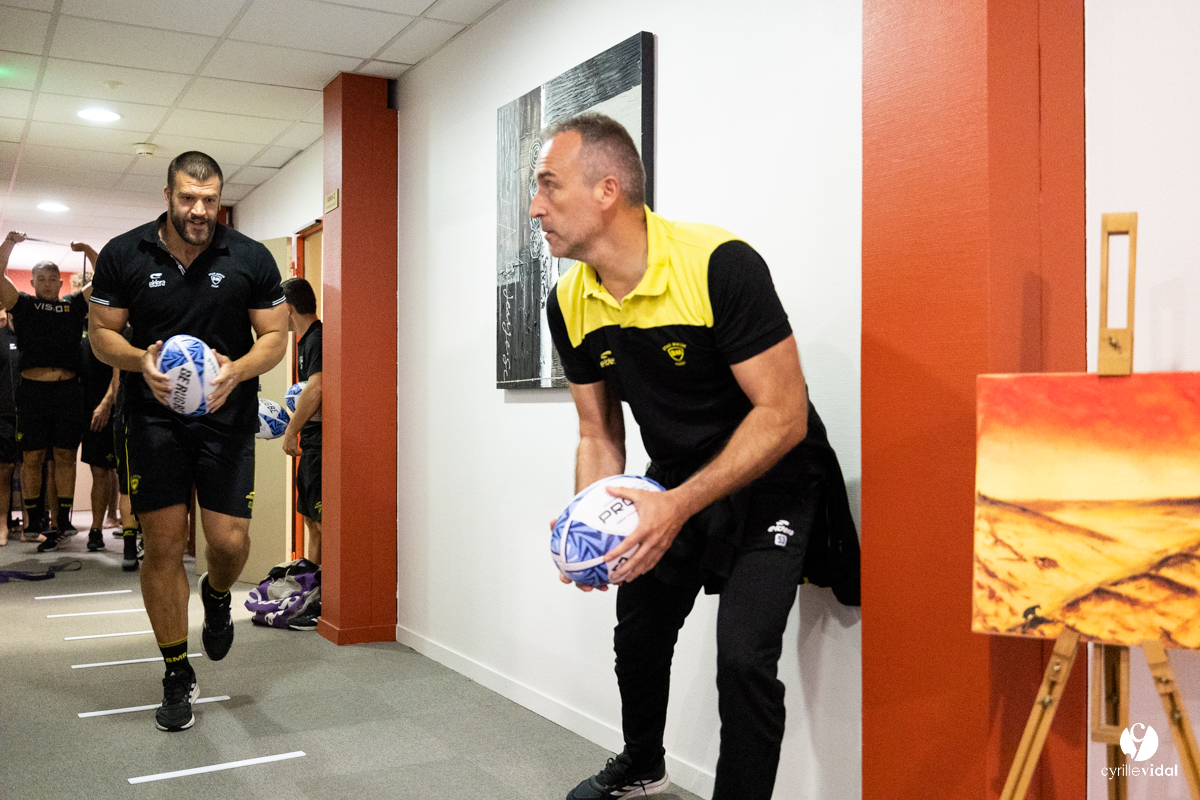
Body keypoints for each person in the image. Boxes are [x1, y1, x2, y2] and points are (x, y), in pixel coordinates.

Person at [533, 114, 847, 800]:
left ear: (607, 190)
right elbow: (598, 433)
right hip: (675, 477)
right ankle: (643, 763)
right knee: (638, 629)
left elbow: (783, 414)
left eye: (549, 186)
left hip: (777, 476)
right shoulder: (569, 301)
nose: (535, 207)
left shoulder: (718, 264)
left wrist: (676, 507)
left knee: (743, 659)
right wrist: (591, 525)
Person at [88, 151, 288, 733]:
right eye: (188, 198)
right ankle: (177, 672)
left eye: (210, 199)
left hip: (227, 414)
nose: (200, 210)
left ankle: (218, 593)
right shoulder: (125, 253)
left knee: (228, 541)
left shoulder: (249, 256)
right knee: (163, 544)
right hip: (153, 418)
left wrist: (237, 370)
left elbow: (275, 336)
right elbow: (101, 334)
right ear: (168, 196)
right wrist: (139, 362)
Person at [0, 233, 91, 550]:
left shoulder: (72, 305)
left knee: (66, 456)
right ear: (33, 282)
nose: (49, 283)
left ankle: (63, 520)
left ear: (60, 282)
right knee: (33, 456)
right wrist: (9, 244)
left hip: (68, 392)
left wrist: (87, 249)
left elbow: (105, 279)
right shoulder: (23, 304)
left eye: (53, 279)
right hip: (33, 392)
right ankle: (34, 520)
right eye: (42, 279)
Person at [280, 277, 322, 565]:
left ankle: (326, 587)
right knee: (310, 519)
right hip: (310, 445)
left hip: (320, 446)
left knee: (322, 522)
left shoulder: (318, 338)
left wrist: (290, 430)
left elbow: (317, 387)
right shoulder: (304, 341)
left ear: (288, 307)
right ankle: (312, 583)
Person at [0, 306, 18, 546]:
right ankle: (2, 524)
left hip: (29, 414)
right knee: (4, 471)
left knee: (33, 468)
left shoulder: (31, 337)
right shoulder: (1, 337)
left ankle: (30, 526)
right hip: (4, 414)